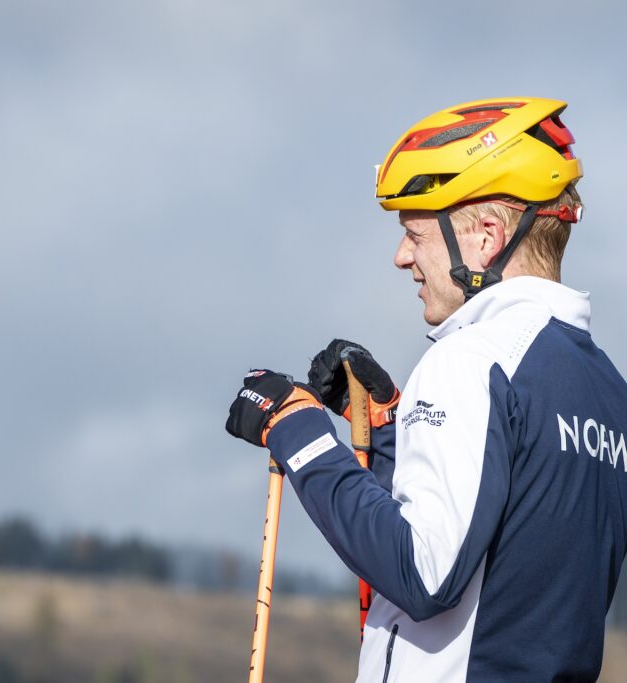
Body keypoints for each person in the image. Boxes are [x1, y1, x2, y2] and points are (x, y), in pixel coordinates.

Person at [226, 97, 627, 682]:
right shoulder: (606, 390)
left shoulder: (472, 359)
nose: (401, 257)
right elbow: (504, 568)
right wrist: (392, 435)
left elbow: (425, 574)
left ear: (487, 236)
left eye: (416, 234)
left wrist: (298, 429)